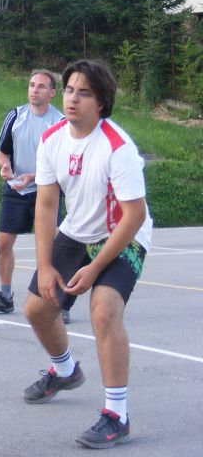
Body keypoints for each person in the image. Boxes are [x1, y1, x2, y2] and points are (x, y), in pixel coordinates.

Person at [22, 59, 151, 449]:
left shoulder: (118, 147)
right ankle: (65, 371)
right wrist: (45, 265)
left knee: (104, 311)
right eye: (69, 90)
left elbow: (134, 215)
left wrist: (95, 268)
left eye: (84, 93)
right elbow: (47, 205)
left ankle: (117, 416)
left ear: (102, 102)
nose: (73, 98)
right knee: (36, 309)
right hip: (77, 229)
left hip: (122, 234)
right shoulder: (52, 139)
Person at [0, 70, 67, 320]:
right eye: (31, 85)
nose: (34, 90)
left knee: (52, 248)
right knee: (3, 243)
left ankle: (58, 301)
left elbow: (63, 165)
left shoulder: (61, 123)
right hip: (16, 189)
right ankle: (5, 297)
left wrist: (35, 177)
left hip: (47, 191)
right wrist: (5, 166)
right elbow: (2, 153)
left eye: (41, 86)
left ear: (52, 92)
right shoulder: (15, 116)